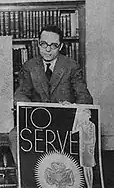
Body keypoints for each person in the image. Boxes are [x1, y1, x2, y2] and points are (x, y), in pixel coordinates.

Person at [9, 24, 93, 163]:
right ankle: (27, 179)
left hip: (64, 123)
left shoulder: (71, 66)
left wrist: (72, 107)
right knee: (14, 136)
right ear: (38, 43)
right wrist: (33, 109)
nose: (48, 50)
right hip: (37, 123)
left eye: (53, 45)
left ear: (60, 47)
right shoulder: (29, 67)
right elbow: (20, 94)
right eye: (43, 44)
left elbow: (85, 97)